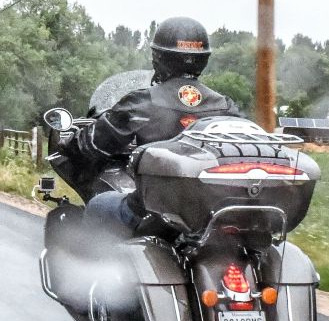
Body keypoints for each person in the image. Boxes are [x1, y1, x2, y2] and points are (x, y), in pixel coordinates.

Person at [71, 16, 238, 237]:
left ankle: (97, 271)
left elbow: (95, 142)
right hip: (211, 210)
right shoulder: (225, 105)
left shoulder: (143, 101)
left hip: (157, 210)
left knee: (98, 205)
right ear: (203, 59)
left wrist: (71, 143)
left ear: (158, 57)